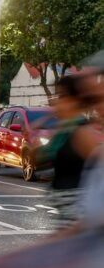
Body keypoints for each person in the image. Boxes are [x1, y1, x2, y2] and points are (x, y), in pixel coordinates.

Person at [36, 73, 100, 228]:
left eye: (61, 96)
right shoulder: (64, 130)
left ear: (76, 101)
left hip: (80, 225)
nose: (56, 102)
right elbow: (39, 159)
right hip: (68, 223)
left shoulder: (83, 133)